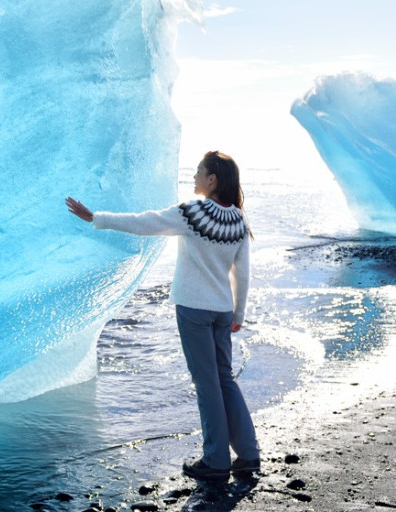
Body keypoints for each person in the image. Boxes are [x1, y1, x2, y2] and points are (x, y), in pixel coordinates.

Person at [65, 150, 260, 482]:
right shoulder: (239, 220)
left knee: (207, 384)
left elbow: (145, 223)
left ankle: (215, 460)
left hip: (194, 308)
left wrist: (97, 218)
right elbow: (242, 274)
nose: (194, 176)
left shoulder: (192, 213)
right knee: (224, 379)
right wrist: (238, 313)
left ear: (212, 179)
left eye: (199, 172)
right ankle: (249, 454)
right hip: (222, 310)